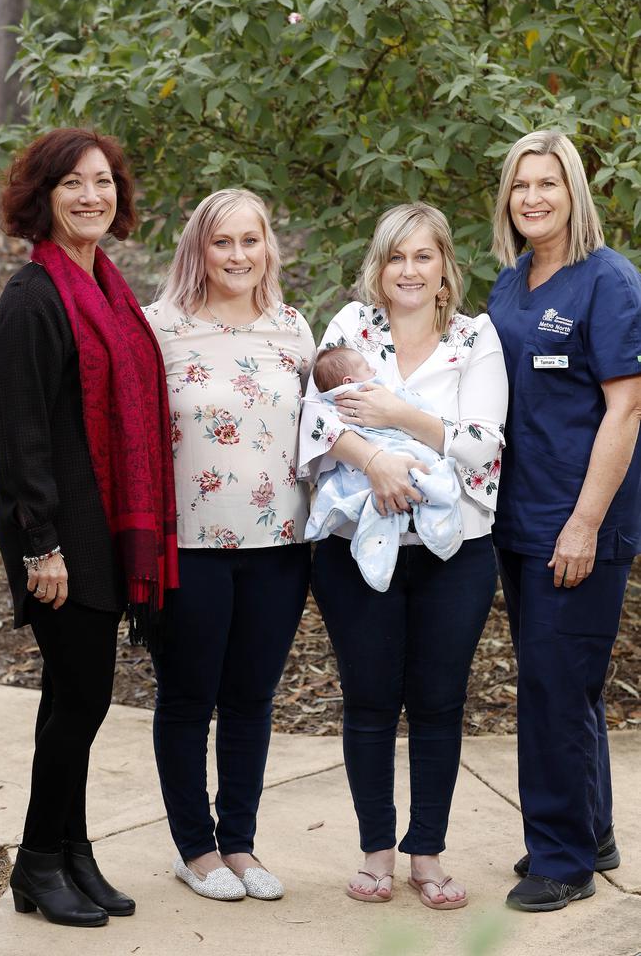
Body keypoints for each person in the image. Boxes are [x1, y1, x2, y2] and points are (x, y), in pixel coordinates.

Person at [0, 128, 179, 928]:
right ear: (43, 197)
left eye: (103, 182)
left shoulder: (108, 288)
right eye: (72, 184)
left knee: (71, 696)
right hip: (61, 536)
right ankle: (37, 858)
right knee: (84, 700)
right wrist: (42, 547)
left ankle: (70, 854)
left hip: (102, 526)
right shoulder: (33, 299)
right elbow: (19, 433)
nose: (91, 196)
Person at [299, 202, 508, 909]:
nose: (409, 270)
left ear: (446, 268)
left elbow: (482, 441)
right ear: (379, 267)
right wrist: (376, 462)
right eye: (396, 256)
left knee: (440, 703)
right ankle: (376, 852)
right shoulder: (349, 328)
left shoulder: (477, 339)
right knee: (368, 701)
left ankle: (427, 853)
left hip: (456, 555)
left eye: (424, 256)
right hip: (355, 549)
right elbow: (314, 418)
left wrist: (396, 418)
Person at [144, 189, 315, 902]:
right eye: (222, 242)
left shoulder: (293, 329)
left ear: (268, 247)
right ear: (198, 249)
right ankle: (195, 848)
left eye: (251, 240)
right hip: (189, 544)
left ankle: (239, 844)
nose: (238, 255)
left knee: (252, 695)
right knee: (188, 696)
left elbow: (322, 432)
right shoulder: (159, 328)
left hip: (279, 544)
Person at [488, 130, 641, 913]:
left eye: (548, 183)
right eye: (521, 185)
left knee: (554, 688)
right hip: (518, 522)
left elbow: (627, 406)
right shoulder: (511, 284)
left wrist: (583, 523)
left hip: (576, 524)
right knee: (563, 688)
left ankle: (563, 858)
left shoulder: (608, 282)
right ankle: (591, 829)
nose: (533, 198)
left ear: (574, 191)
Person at [306, 347, 463, 591]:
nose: (374, 370)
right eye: (367, 368)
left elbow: (318, 425)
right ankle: (436, 525)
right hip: (386, 449)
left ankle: (373, 545)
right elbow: (415, 403)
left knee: (370, 499)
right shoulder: (376, 389)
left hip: (365, 459)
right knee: (430, 471)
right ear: (349, 381)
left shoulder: (326, 403)